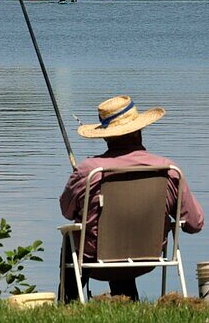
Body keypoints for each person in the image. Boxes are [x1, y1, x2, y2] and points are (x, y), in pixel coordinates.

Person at [60, 95, 203, 301]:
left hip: (94, 261)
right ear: (139, 130)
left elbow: (67, 212)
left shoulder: (88, 171)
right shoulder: (168, 170)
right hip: (147, 257)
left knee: (72, 238)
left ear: (105, 136)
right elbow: (195, 223)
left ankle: (68, 303)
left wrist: (81, 183)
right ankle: (127, 302)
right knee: (125, 238)